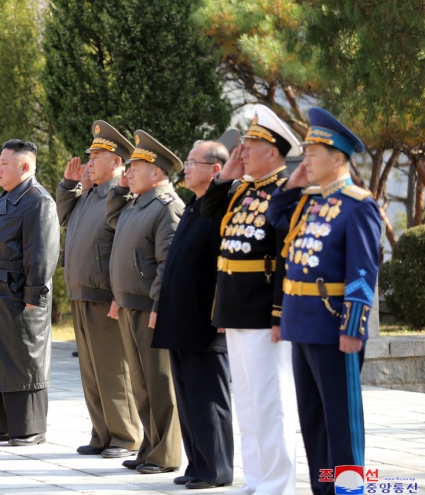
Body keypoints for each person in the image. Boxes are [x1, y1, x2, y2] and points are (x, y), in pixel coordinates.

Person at [265, 108, 380, 495]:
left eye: (314, 153)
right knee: (313, 420)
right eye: (307, 152)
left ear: (339, 158)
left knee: (341, 423)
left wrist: (353, 327)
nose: (307, 159)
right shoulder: (311, 201)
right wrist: (292, 185)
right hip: (303, 323)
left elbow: (363, 273)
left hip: (333, 328)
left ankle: (349, 491)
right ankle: (324, 490)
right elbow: (274, 221)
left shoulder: (358, 205)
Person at [200, 104, 301, 495]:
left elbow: (286, 259)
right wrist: (226, 175)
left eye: (251, 144)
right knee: (247, 403)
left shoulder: (284, 192)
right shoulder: (242, 189)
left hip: (263, 312)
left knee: (270, 403)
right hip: (236, 308)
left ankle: (278, 484)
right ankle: (258, 480)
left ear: (273, 152)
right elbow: (208, 211)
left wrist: (280, 315)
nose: (242, 150)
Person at [0, 139, 60, 446]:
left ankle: (29, 427)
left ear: (25, 167)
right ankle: (5, 425)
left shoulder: (37, 200)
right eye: (0, 163)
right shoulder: (7, 197)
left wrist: (33, 297)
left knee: (23, 361)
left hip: (16, 294)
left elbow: (41, 253)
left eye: (5, 164)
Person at [55, 120, 142, 459]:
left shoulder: (118, 196)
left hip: (104, 296)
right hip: (81, 292)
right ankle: (102, 432)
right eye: (90, 154)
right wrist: (70, 184)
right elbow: (65, 218)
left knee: (113, 370)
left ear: (117, 162)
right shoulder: (89, 192)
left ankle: (125, 435)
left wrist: (118, 296)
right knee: (91, 372)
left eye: (98, 155)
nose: (89, 160)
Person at [151, 139, 234, 489]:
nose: (186, 168)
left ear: (216, 170)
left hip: (205, 320)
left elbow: (223, 268)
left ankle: (216, 469)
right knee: (187, 396)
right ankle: (198, 464)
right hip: (181, 318)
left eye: (192, 162)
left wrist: (221, 315)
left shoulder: (221, 208)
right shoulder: (194, 205)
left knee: (208, 396)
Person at [106, 130, 185, 475]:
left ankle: (165, 453)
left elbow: (168, 265)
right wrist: (122, 189)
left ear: (157, 173)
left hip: (149, 309)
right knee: (141, 383)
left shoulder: (167, 207)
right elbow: (111, 220)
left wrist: (158, 307)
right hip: (129, 304)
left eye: (136, 167)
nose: (129, 172)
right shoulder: (137, 201)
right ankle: (148, 449)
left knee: (159, 382)